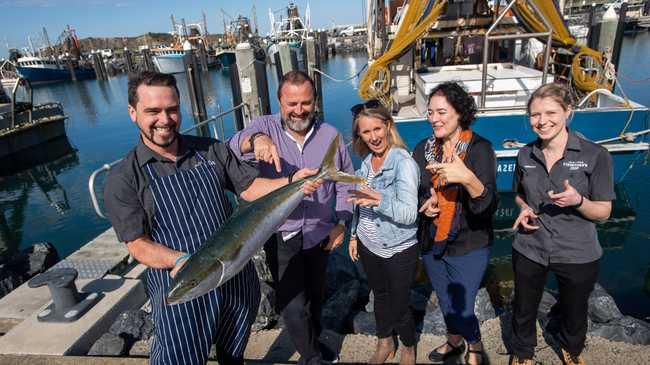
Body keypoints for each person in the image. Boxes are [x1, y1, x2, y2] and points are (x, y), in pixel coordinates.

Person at [104, 71, 321, 365]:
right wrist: (181, 262)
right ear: (133, 113)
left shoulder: (209, 150)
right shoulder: (124, 177)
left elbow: (251, 187)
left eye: (171, 109)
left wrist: (294, 180)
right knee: (179, 357)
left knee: (233, 353)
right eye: (152, 111)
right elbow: (137, 244)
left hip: (236, 277)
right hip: (183, 282)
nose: (164, 119)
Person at [228, 70, 353, 364]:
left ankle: (314, 339)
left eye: (306, 103)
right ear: (280, 102)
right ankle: (312, 356)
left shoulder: (331, 135)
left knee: (316, 295)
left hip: (321, 232)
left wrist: (342, 223)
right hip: (280, 233)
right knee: (293, 305)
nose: (299, 110)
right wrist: (257, 140)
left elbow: (346, 182)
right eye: (292, 104)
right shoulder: (264, 127)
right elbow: (233, 147)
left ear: (315, 102)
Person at [510, 84, 614, 365]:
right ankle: (522, 353)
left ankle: (571, 348)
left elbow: (604, 212)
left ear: (568, 112)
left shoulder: (596, 155)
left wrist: (578, 200)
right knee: (523, 307)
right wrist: (525, 208)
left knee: (574, 309)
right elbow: (519, 195)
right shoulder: (524, 155)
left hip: (577, 252)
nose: (542, 121)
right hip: (530, 247)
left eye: (550, 113)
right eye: (534, 115)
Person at [413, 82, 497, 365]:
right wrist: (428, 202)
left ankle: (474, 344)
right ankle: (453, 341)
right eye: (430, 112)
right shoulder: (423, 149)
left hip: (469, 243)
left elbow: (485, 208)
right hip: (433, 241)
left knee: (462, 308)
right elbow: (420, 190)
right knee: (446, 301)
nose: (434, 118)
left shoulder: (480, 149)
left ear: (460, 113)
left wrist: (467, 178)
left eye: (441, 112)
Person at [346, 101, 420, 365]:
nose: (373, 137)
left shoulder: (403, 163)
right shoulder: (366, 163)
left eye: (377, 128)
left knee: (400, 306)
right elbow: (359, 202)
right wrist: (354, 235)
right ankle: (384, 341)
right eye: (366, 132)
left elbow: (410, 214)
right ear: (359, 136)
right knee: (379, 296)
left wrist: (378, 198)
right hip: (368, 243)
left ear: (388, 126)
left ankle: (408, 346)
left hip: (398, 247)